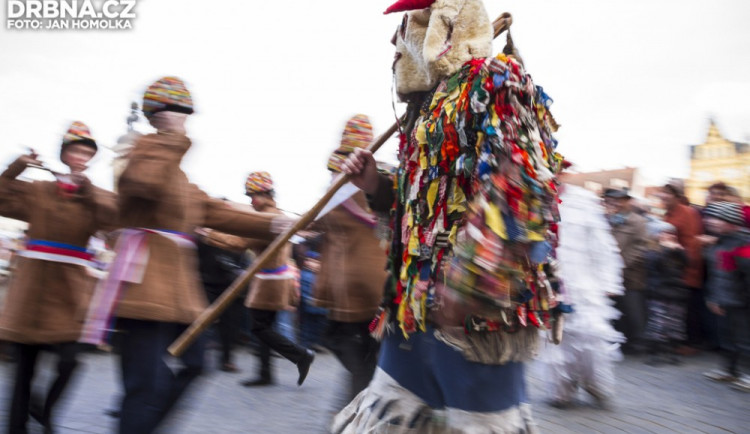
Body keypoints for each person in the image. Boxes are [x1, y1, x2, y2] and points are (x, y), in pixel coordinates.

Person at [334, 1, 565, 431]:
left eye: (414, 27)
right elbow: (421, 204)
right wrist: (378, 186)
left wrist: (471, 280)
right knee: (385, 420)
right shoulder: (424, 110)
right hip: (413, 310)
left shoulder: (497, 80)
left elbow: (525, 187)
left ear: (447, 29)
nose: (401, 45)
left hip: (478, 320)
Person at [80, 76, 288, 434]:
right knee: (145, 387)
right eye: (174, 111)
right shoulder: (142, 152)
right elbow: (143, 184)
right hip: (141, 290)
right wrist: (172, 140)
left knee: (196, 366)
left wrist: (274, 225)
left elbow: (212, 210)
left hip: (179, 296)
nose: (182, 120)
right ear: (157, 115)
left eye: (183, 113)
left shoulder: (177, 175)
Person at [0, 122, 117, 434]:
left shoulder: (97, 195)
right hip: (31, 290)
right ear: (64, 154)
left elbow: (111, 221)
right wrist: (16, 168)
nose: (80, 156)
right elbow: (2, 199)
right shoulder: (39, 190)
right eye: (75, 150)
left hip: (70, 292)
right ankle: (17, 426)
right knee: (24, 369)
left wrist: (87, 189)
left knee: (70, 362)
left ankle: (46, 413)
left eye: (86, 152)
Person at [311, 114, 388, 408]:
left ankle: (356, 418)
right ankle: (358, 414)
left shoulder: (342, 183)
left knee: (361, 360)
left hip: (355, 285)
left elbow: (322, 224)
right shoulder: (368, 180)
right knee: (362, 357)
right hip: (369, 283)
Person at [537, 182, 625, 410]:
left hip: (584, 285)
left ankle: (596, 383)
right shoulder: (533, 197)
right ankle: (561, 389)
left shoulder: (583, 201)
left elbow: (603, 244)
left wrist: (609, 280)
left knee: (590, 336)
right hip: (549, 284)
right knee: (556, 339)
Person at [240, 171, 314, 387]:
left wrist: (210, 233)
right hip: (272, 280)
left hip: (269, 282)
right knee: (264, 328)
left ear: (265, 194)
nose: (251, 201)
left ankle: (301, 355)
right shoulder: (275, 214)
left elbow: (241, 242)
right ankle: (265, 374)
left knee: (259, 328)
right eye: (249, 196)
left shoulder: (268, 217)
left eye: (253, 195)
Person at [701, 201, 750, 392]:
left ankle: (747, 373)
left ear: (731, 222)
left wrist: (744, 301)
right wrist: (714, 298)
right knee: (726, 336)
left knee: (745, 339)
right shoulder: (720, 242)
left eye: (719, 219)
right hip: (724, 299)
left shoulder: (744, 243)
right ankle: (729, 370)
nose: (712, 222)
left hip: (741, 301)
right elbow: (717, 273)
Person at [196, 227, 251, 372]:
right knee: (202, 323)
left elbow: (244, 261)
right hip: (206, 284)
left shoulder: (236, 241)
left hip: (231, 289)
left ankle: (226, 360)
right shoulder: (203, 238)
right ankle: (199, 356)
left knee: (230, 326)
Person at [604, 188, 649, 354]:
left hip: (630, 274)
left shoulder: (637, 221)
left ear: (627, 201)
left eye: (618, 200)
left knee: (633, 308)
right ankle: (622, 341)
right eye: (610, 200)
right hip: (610, 274)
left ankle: (639, 342)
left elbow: (641, 246)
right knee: (617, 309)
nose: (614, 203)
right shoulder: (607, 219)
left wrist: (621, 263)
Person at [661, 183, 705, 353]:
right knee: (679, 307)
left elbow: (693, 241)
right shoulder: (667, 214)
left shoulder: (687, 213)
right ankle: (680, 340)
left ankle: (693, 343)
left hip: (687, 268)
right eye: (662, 194)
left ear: (677, 196)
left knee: (690, 308)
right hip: (673, 268)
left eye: (667, 194)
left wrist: (689, 265)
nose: (663, 197)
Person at [643, 223, 690, 365]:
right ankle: (655, 353)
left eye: (671, 233)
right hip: (658, 291)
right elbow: (655, 265)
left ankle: (671, 352)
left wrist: (678, 252)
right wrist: (667, 250)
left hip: (676, 291)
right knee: (658, 324)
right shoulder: (652, 251)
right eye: (664, 233)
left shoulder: (677, 251)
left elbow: (687, 264)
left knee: (675, 324)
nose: (669, 236)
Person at [298, 251, 327, 349]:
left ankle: (315, 342)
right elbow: (304, 290)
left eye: (318, 262)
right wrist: (308, 299)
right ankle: (305, 343)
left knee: (318, 326)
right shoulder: (305, 274)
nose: (316, 265)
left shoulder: (321, 275)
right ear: (307, 262)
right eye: (313, 262)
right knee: (307, 326)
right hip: (310, 305)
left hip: (321, 307)